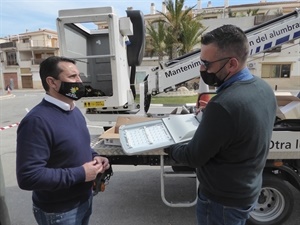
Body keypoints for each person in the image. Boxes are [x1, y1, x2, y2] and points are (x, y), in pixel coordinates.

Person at [165, 25, 277, 225]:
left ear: (232, 64)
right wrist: (211, 116)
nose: (202, 69)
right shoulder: (263, 88)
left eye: (206, 64)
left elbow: (193, 156)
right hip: (247, 191)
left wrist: (167, 146)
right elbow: (243, 125)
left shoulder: (223, 106)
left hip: (221, 202)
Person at [16, 56, 110, 225]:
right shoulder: (37, 121)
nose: (79, 82)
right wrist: (81, 173)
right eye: (72, 77)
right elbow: (28, 176)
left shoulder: (73, 110)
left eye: (79, 76)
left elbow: (76, 145)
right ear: (52, 82)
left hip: (84, 201)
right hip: (59, 212)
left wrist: (95, 157)